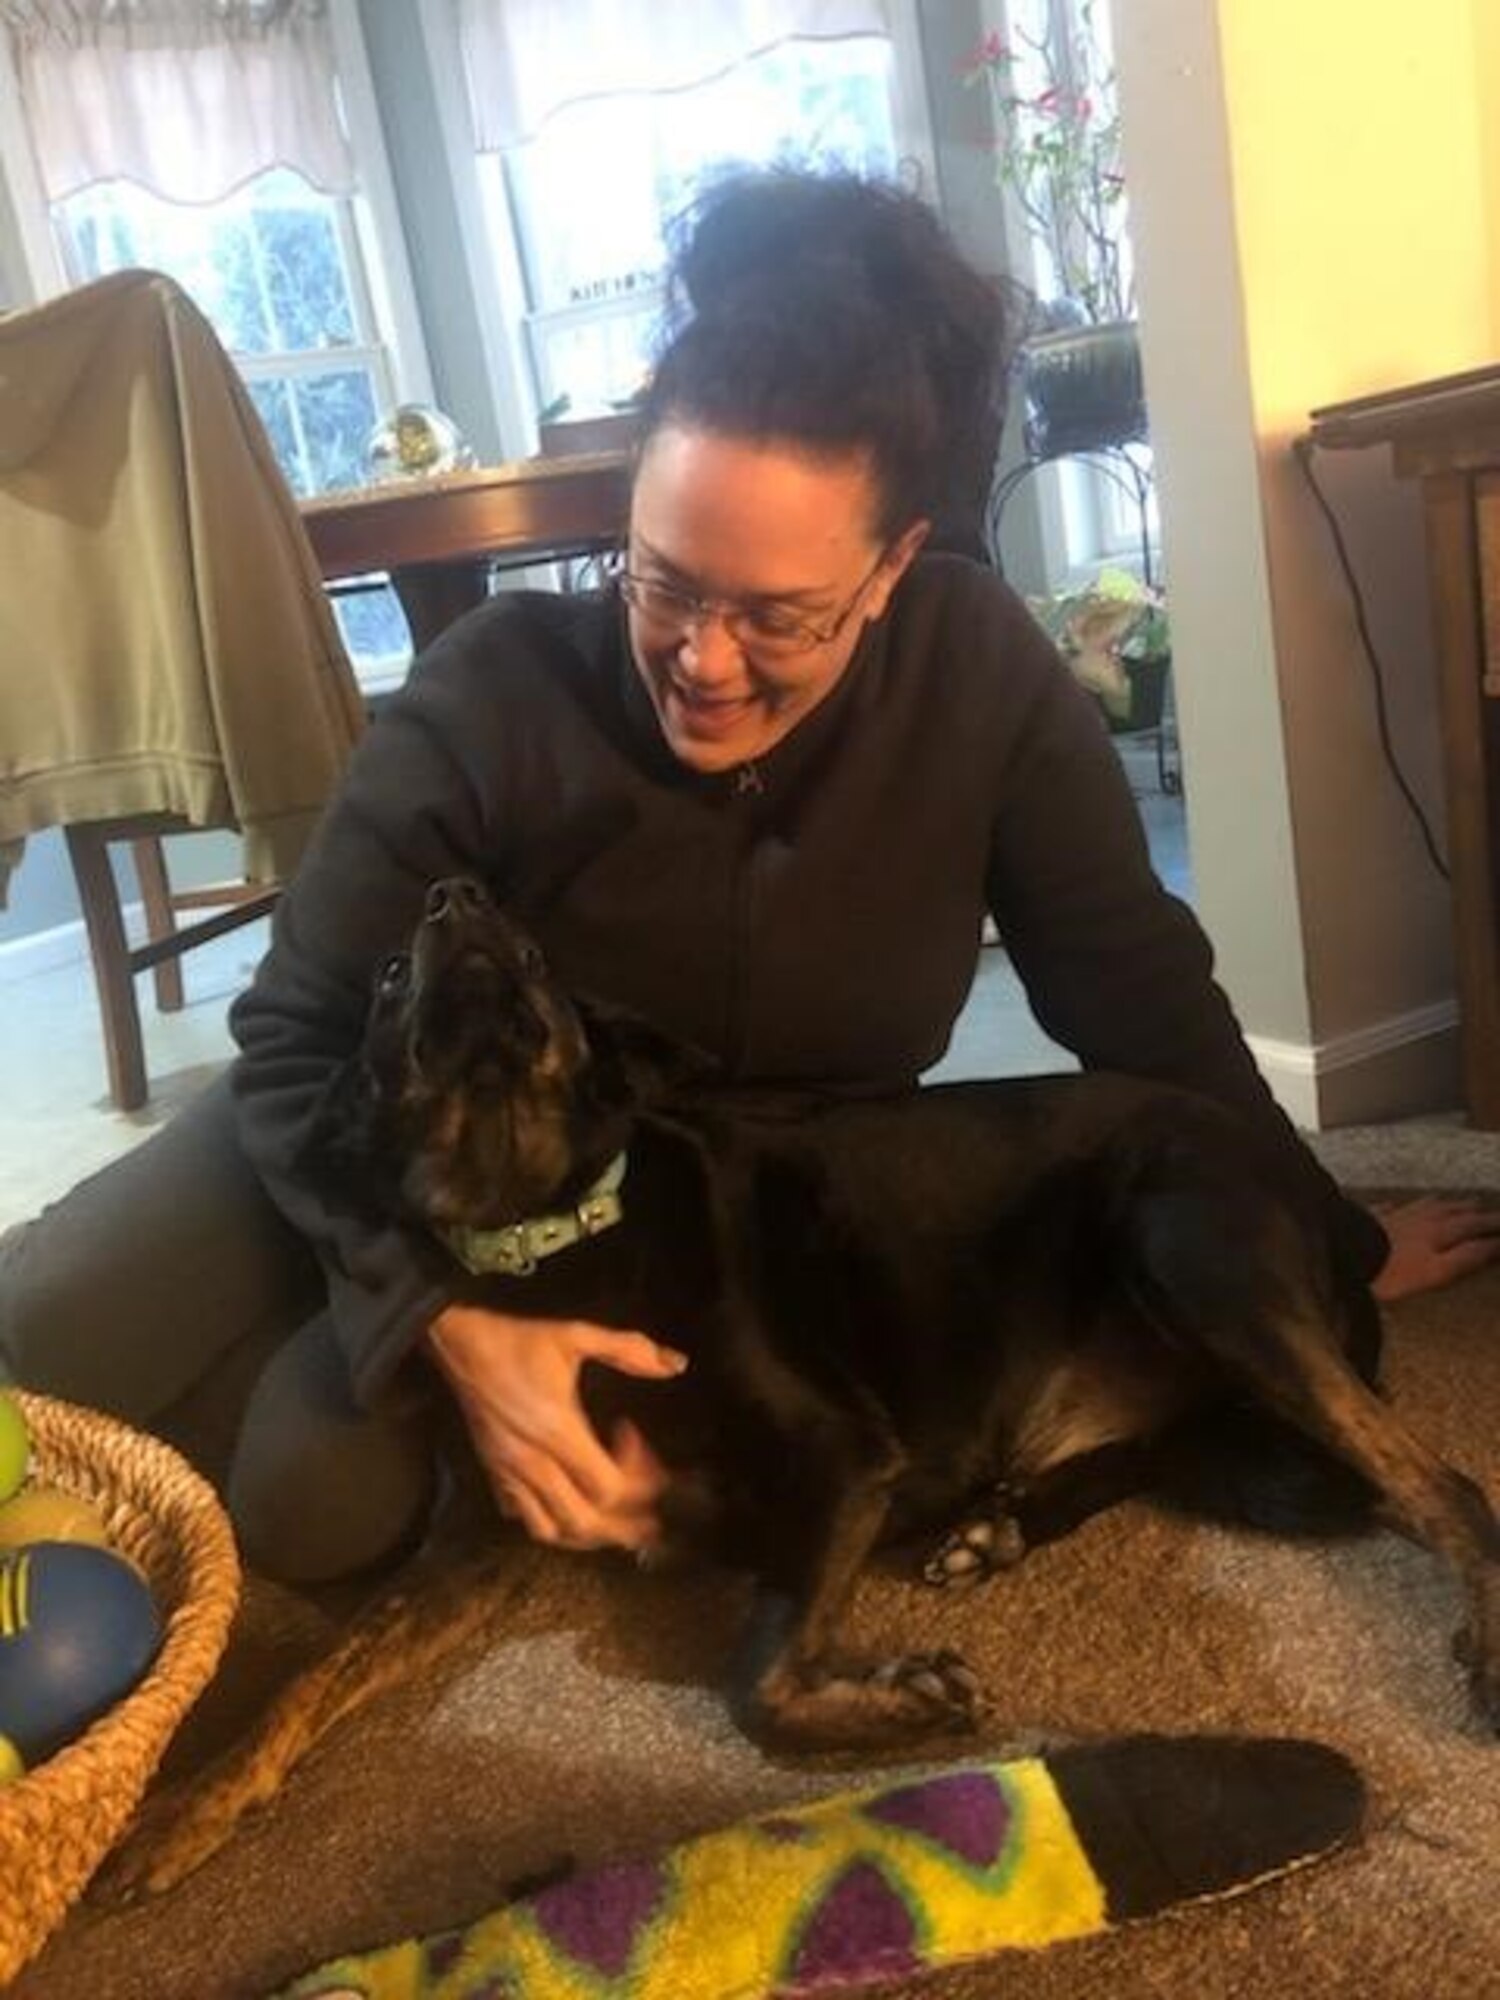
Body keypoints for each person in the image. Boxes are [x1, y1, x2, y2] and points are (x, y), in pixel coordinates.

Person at [0, 171, 1492, 1584]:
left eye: (779, 616)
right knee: (38, 1335)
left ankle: (260, 1375)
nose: (705, 662)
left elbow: (1140, 996)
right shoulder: (499, 686)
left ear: (895, 566)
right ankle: (275, 1312)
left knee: (312, 1510)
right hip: (365, 1117)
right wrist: (425, 1311)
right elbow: (294, 1040)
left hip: (668, 1223)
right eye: (660, 583)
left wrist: (1332, 1238)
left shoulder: (978, 672)